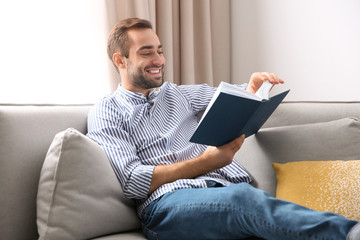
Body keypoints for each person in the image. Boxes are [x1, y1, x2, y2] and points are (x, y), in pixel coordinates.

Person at [87, 17, 360, 240]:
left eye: (160, 50)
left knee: (251, 207)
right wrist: (205, 162)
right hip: (167, 206)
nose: (158, 60)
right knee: (244, 200)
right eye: (146, 52)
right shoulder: (107, 110)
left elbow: (228, 96)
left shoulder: (176, 94)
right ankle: (350, 232)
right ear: (120, 60)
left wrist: (252, 87)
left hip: (224, 190)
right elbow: (132, 181)